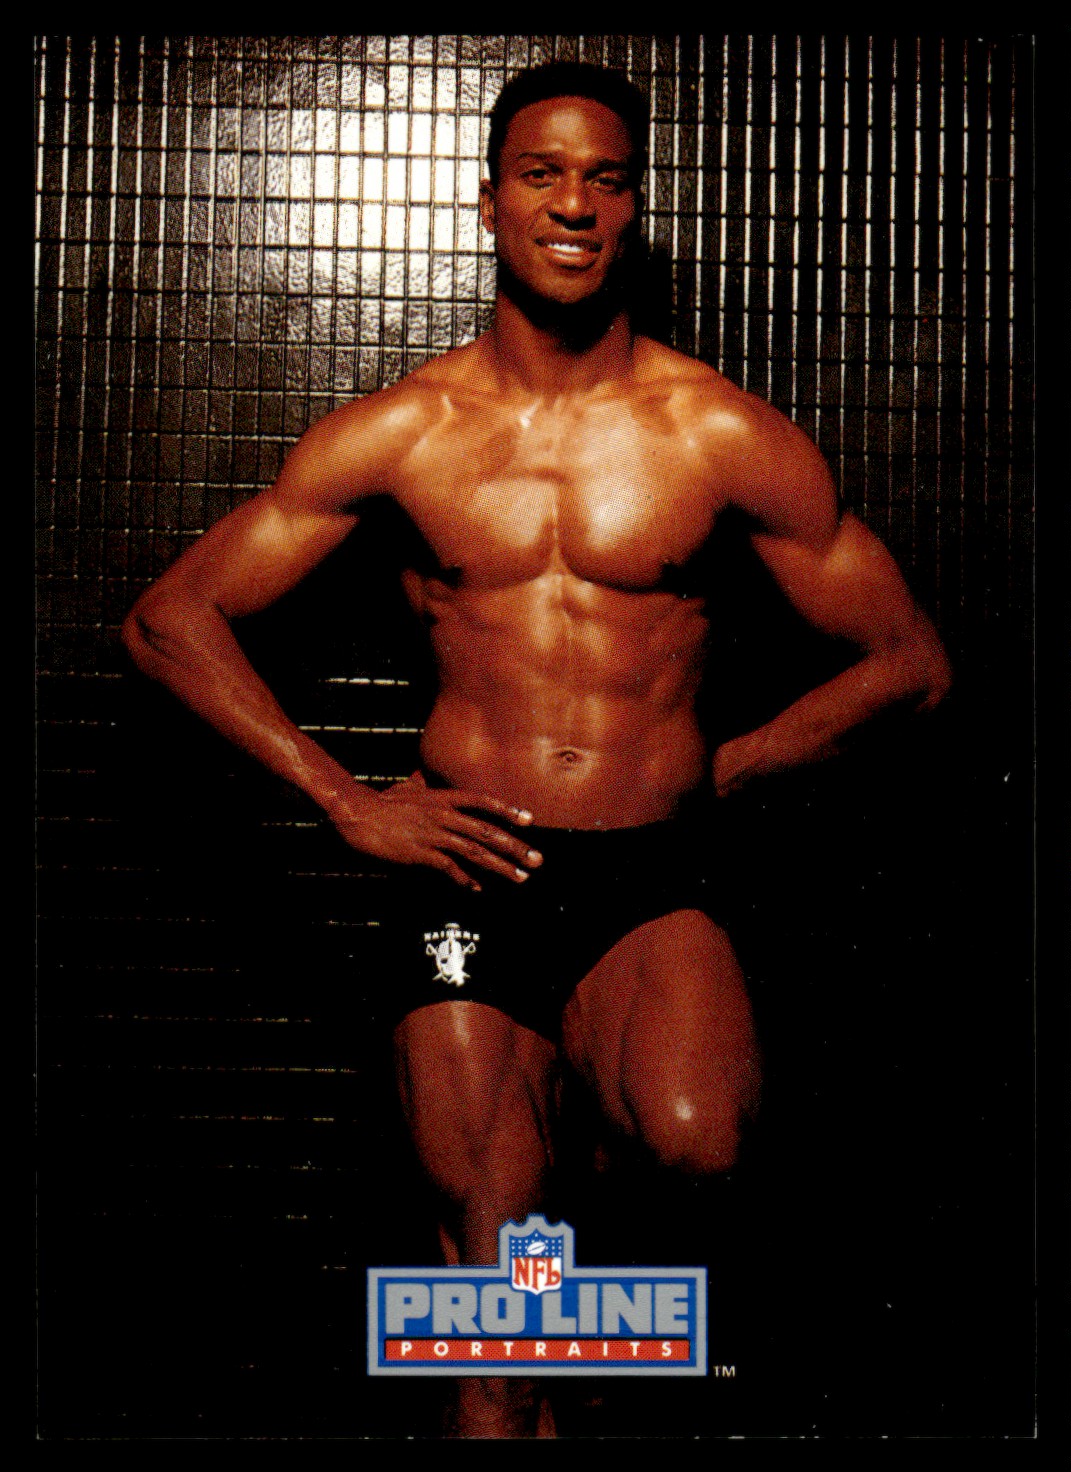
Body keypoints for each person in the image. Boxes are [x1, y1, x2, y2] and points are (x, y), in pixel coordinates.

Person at [122, 62, 952, 1437]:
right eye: (543, 174)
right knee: (490, 1250)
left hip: (651, 870)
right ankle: (511, 1333)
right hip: (470, 874)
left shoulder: (718, 432)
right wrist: (344, 799)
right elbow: (171, 621)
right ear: (491, 200)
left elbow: (911, 666)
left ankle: (548, 1254)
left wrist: (730, 768)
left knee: (697, 1141)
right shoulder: (406, 431)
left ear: (634, 208)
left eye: (604, 179)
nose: (574, 204)